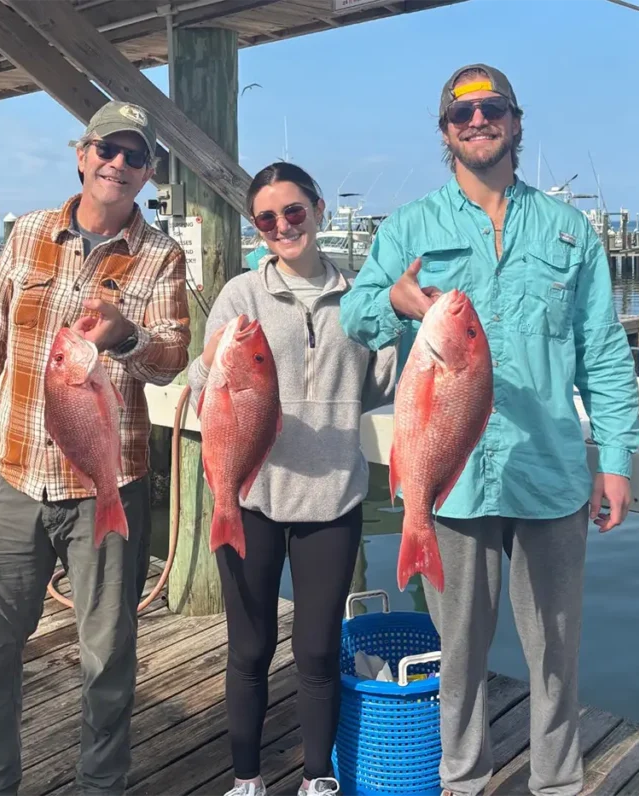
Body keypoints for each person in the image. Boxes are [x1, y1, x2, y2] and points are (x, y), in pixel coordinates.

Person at [339, 64, 639, 796]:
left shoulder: (569, 230)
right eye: (460, 114)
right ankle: (463, 780)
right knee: (459, 651)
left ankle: (558, 784)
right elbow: (355, 316)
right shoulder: (411, 226)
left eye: (491, 109)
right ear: (445, 132)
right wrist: (400, 302)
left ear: (515, 120)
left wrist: (618, 457)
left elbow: (601, 348)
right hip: (450, 479)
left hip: (550, 472)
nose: (477, 121)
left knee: (556, 651)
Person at [0, 99, 192, 796]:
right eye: (108, 149)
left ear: (150, 173)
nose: (119, 165)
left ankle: (102, 785)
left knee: (108, 659)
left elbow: (169, 359)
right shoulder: (29, 232)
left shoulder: (162, 256)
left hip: (109, 485)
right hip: (13, 477)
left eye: (135, 157)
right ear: (82, 154)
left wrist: (125, 335)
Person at [185, 161, 397, 796]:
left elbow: (380, 385)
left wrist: (405, 326)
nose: (283, 226)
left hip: (331, 497)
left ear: (319, 209)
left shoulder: (358, 296)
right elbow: (203, 390)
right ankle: (246, 779)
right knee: (248, 650)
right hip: (248, 495)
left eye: (294, 212)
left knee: (315, 651)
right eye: (268, 218)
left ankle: (317, 776)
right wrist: (208, 363)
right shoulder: (239, 296)